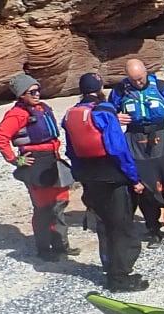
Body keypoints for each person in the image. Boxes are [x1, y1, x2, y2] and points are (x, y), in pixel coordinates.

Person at [62, 72, 149, 293]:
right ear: (99, 88)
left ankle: (111, 267)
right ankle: (119, 278)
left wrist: (79, 174)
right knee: (120, 227)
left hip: (89, 178)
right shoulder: (104, 111)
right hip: (112, 177)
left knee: (103, 225)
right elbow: (117, 149)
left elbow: (70, 150)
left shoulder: (71, 114)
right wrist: (134, 178)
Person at [109, 56, 164, 238]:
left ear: (146, 72)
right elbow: (106, 114)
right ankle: (153, 229)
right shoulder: (119, 91)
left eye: (140, 78)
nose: (138, 83)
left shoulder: (163, 87)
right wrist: (114, 119)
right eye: (133, 80)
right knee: (144, 186)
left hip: (161, 137)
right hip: (134, 138)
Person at [0, 72, 72, 260]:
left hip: (52, 159)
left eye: (38, 90)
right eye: (32, 92)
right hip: (35, 162)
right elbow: (0, 138)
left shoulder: (42, 108)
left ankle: (61, 245)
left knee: (60, 202)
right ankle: (44, 249)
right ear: (21, 95)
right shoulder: (17, 115)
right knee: (44, 208)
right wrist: (15, 160)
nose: (37, 94)